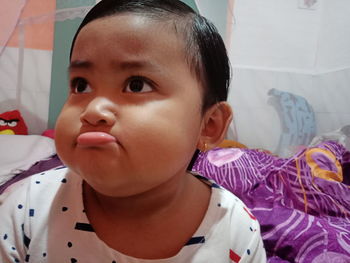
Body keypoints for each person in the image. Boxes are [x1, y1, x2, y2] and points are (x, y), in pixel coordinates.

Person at [0, 0, 266, 262]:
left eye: (137, 85)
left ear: (208, 125)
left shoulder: (235, 230)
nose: (93, 109)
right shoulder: (24, 211)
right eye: (81, 85)